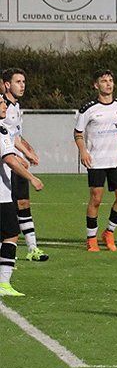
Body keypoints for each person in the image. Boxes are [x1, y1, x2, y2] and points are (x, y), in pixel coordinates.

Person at [73, 70, 117, 252]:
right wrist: (83, 151)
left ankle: (109, 232)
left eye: (110, 80)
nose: (108, 84)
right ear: (96, 85)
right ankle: (91, 238)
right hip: (96, 161)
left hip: (116, 160)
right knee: (96, 199)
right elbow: (78, 133)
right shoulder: (88, 109)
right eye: (104, 81)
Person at [1, 68, 47, 262]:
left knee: (23, 204)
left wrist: (28, 153)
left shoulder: (15, 106)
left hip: (15, 160)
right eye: (18, 81)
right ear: (6, 85)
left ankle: (32, 248)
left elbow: (15, 136)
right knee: (9, 208)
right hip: (7, 165)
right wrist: (16, 156)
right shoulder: (3, 106)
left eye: (24, 81)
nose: (22, 85)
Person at [0, 97, 44, 297]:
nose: (4, 106)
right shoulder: (1, 131)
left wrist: (25, 153)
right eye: (1, 102)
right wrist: (32, 178)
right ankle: (4, 283)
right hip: (1, 195)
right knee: (10, 235)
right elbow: (9, 159)